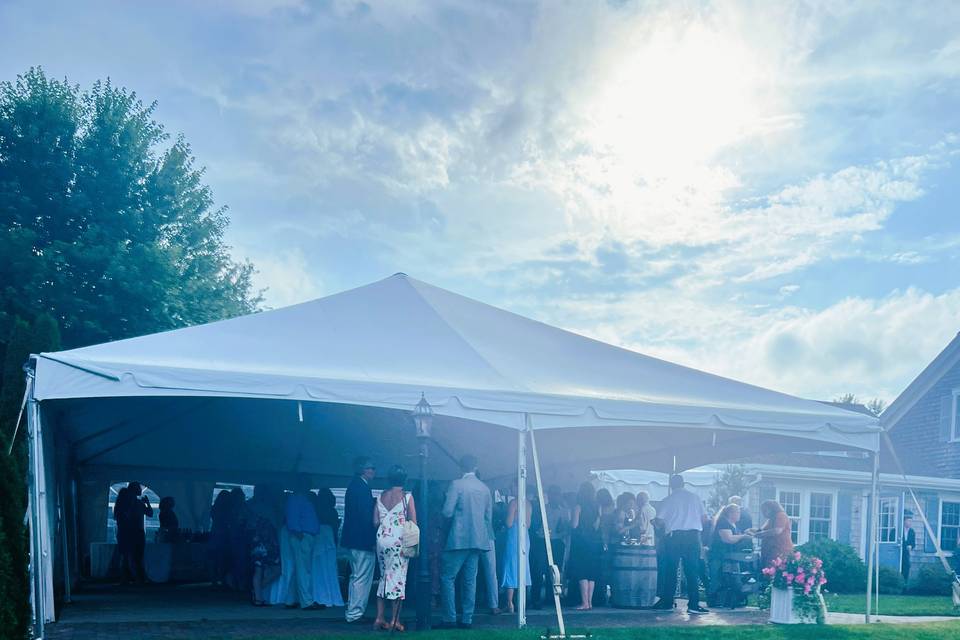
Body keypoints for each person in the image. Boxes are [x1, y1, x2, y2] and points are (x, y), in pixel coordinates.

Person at [437, 455, 493, 630]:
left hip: (459, 537)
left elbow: (447, 512)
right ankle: (467, 619)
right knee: (470, 580)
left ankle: (449, 618)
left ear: (460, 468)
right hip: (478, 539)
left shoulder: (456, 485)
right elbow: (488, 517)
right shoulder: (485, 488)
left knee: (448, 577)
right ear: (475, 467)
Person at [652, 474, 708, 614]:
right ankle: (694, 604)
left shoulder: (668, 499)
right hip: (693, 536)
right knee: (692, 571)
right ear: (683, 483)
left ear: (671, 485)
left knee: (671, 569)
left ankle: (667, 601)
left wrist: (661, 525)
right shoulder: (695, 497)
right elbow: (705, 518)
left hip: (674, 537)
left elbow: (659, 520)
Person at [373, 465, 417, 631]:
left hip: (382, 539)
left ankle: (379, 617)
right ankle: (395, 620)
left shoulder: (380, 496)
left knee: (384, 576)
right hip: (398, 540)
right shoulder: (407, 497)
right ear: (405, 480)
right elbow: (413, 521)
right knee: (398, 579)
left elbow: (375, 522)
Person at [343, 457, 377, 623]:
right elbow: (366, 517)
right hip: (361, 539)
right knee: (361, 576)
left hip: (353, 538)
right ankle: (355, 613)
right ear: (363, 470)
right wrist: (372, 539)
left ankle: (353, 610)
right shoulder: (362, 488)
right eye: (371, 468)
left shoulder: (354, 486)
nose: (373, 471)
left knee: (356, 575)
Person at [284, 476, 322, 609]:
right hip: (302, 536)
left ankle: (291, 599)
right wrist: (299, 533)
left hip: (305, 535)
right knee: (304, 570)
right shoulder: (296, 499)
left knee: (299, 569)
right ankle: (307, 602)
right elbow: (292, 519)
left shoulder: (302, 498)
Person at [530, 485, 570, 609]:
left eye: (557, 495)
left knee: (554, 572)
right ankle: (535, 599)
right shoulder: (542, 508)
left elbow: (567, 528)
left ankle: (551, 598)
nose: (555, 497)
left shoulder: (564, 510)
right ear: (549, 496)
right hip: (541, 541)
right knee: (538, 570)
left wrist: (562, 529)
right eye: (553, 494)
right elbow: (535, 524)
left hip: (557, 542)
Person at [707, 504, 753, 608]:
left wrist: (744, 533)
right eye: (737, 512)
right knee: (716, 578)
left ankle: (731, 599)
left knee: (732, 577)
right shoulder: (723, 523)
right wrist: (743, 536)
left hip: (731, 556)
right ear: (730, 513)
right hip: (718, 556)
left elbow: (735, 537)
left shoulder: (734, 525)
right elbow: (728, 539)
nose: (739, 514)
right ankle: (713, 600)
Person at [568, 481, 602, 610]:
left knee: (582, 571)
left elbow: (574, 525)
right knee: (591, 573)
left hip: (581, 542)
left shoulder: (578, 506)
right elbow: (597, 525)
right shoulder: (597, 506)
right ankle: (590, 602)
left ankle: (584, 602)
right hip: (594, 542)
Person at [247, 484, 283, 606]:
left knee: (258, 570)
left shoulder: (249, 506)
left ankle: (257, 595)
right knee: (277, 570)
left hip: (256, 543)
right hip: (269, 543)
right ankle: (257, 593)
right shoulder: (270, 507)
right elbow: (276, 525)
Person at [501, 487, 533, 614]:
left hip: (514, 535)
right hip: (525, 535)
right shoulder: (528, 504)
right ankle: (522, 601)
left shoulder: (513, 503)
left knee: (511, 566)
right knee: (523, 567)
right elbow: (528, 524)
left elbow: (509, 523)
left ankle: (509, 602)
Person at [118, 482, 153, 584]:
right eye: (139, 488)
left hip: (128, 532)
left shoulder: (125, 502)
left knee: (127, 556)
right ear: (135, 489)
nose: (141, 490)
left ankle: (127, 578)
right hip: (136, 532)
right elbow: (150, 513)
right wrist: (147, 503)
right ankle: (138, 578)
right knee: (137, 556)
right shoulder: (137, 503)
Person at [753, 500, 794, 570]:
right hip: (770, 550)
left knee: (774, 571)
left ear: (772, 508)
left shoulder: (781, 515)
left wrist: (760, 534)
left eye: (765, 510)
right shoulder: (770, 519)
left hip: (779, 550)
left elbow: (777, 530)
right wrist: (751, 530)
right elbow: (761, 530)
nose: (763, 513)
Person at [210, 489, 233, 586]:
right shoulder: (228, 510)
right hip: (224, 535)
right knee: (224, 558)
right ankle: (222, 578)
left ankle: (214, 579)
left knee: (214, 558)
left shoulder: (214, 508)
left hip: (214, 534)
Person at [902, 515, 916, 582]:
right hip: (899, 551)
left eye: (911, 521)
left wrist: (911, 546)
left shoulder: (912, 531)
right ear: (904, 521)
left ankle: (904, 584)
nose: (910, 523)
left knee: (907, 567)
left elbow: (913, 544)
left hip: (906, 553)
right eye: (908, 521)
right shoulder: (899, 530)